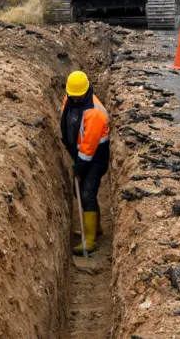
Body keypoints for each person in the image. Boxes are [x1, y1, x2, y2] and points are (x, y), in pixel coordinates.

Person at [60, 71, 110, 254]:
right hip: (81, 154)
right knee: (80, 191)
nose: (74, 98)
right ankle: (93, 228)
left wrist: (78, 168)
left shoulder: (95, 114)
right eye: (72, 95)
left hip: (96, 157)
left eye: (77, 96)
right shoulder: (71, 99)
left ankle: (90, 239)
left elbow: (89, 148)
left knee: (87, 192)